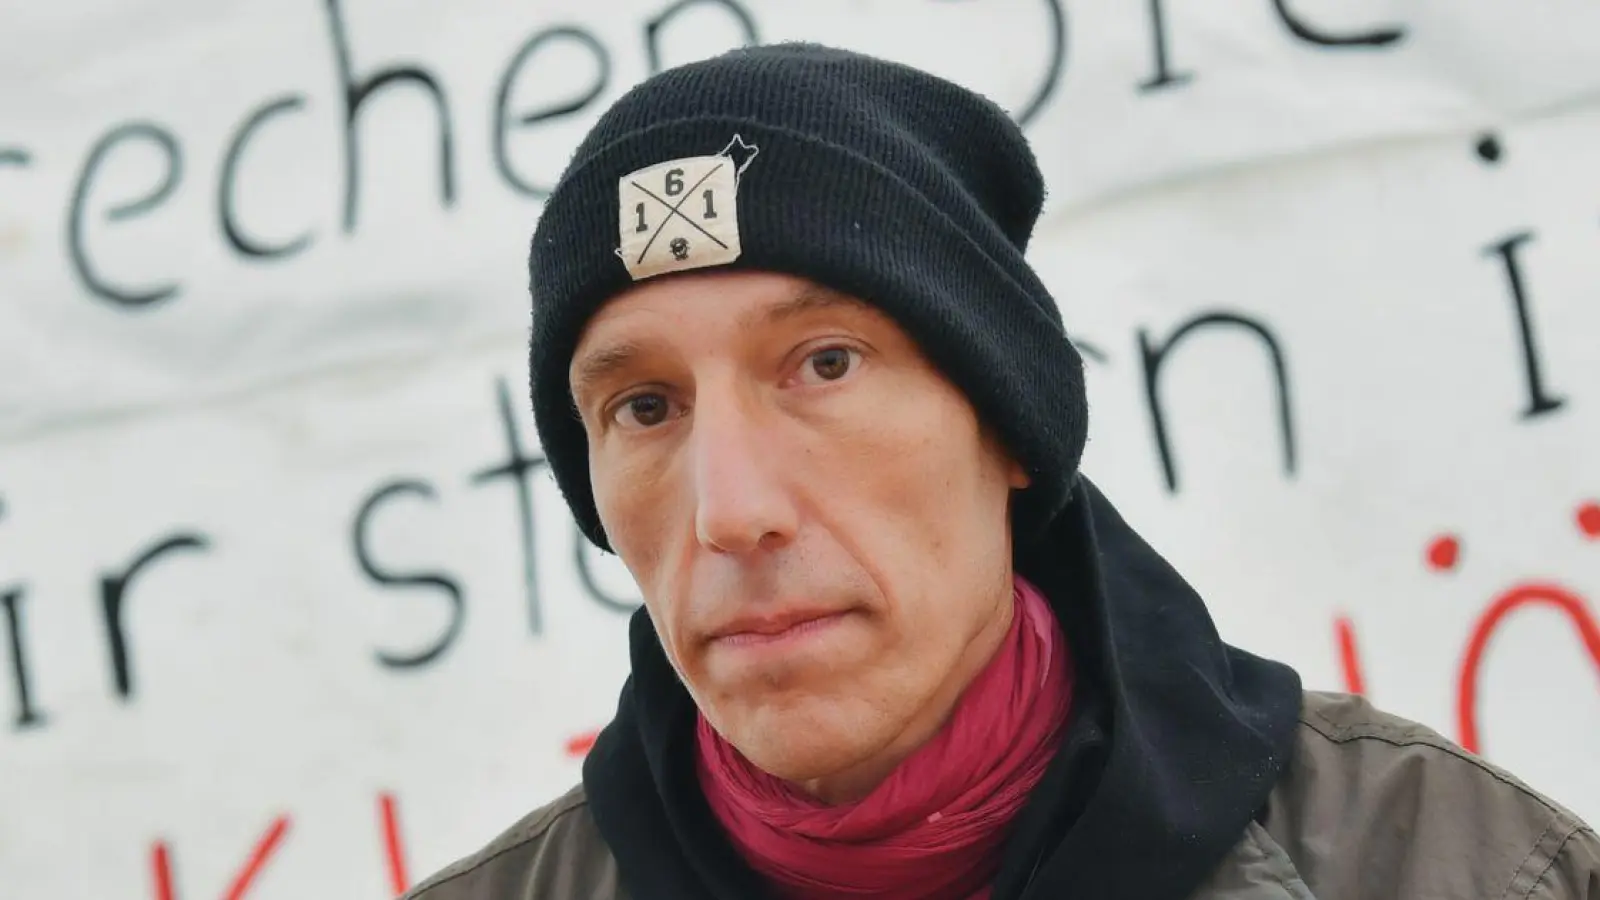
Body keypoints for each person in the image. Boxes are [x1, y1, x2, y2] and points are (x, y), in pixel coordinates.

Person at [404, 42, 1599, 900]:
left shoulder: (1452, 864)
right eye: (645, 406)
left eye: (824, 363)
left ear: (1010, 426)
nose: (733, 511)